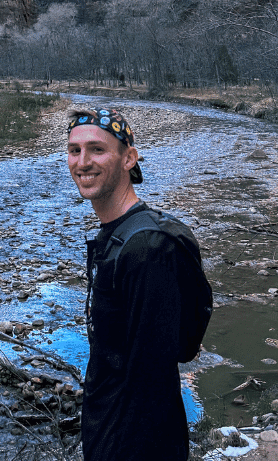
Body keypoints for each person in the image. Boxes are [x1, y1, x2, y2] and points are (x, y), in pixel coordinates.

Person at [67, 106, 193, 461]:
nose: (82, 162)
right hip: (109, 426)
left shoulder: (147, 250)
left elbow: (150, 381)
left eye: (97, 149)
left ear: (128, 159)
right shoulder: (117, 236)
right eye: (75, 150)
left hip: (135, 443)